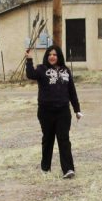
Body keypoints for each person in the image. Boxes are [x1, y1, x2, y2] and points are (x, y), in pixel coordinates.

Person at [25, 45, 82, 178]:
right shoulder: (41, 69)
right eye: (50, 54)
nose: (52, 57)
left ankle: (68, 169)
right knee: (48, 139)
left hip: (63, 111)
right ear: (46, 56)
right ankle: (45, 168)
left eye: (55, 54)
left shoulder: (66, 71)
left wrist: (77, 110)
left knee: (64, 140)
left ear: (59, 56)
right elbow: (30, 74)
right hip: (45, 112)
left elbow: (72, 92)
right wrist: (29, 60)